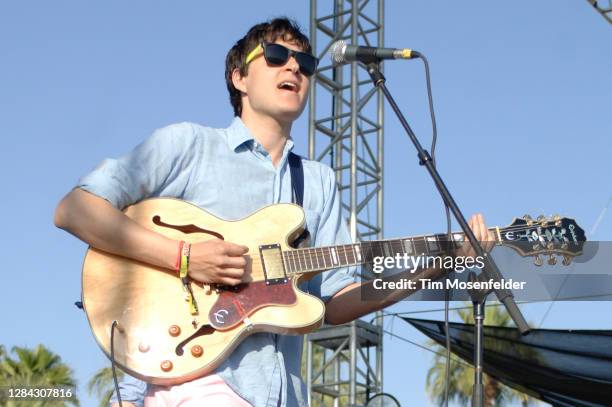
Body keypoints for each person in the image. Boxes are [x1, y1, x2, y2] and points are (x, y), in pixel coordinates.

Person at [54, 17, 493, 407]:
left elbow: (335, 302)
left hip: (283, 393)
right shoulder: (189, 145)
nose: (293, 68)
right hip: (194, 380)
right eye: (277, 55)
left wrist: (435, 266)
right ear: (239, 77)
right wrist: (184, 256)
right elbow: (75, 209)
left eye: (305, 64)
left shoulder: (318, 182)